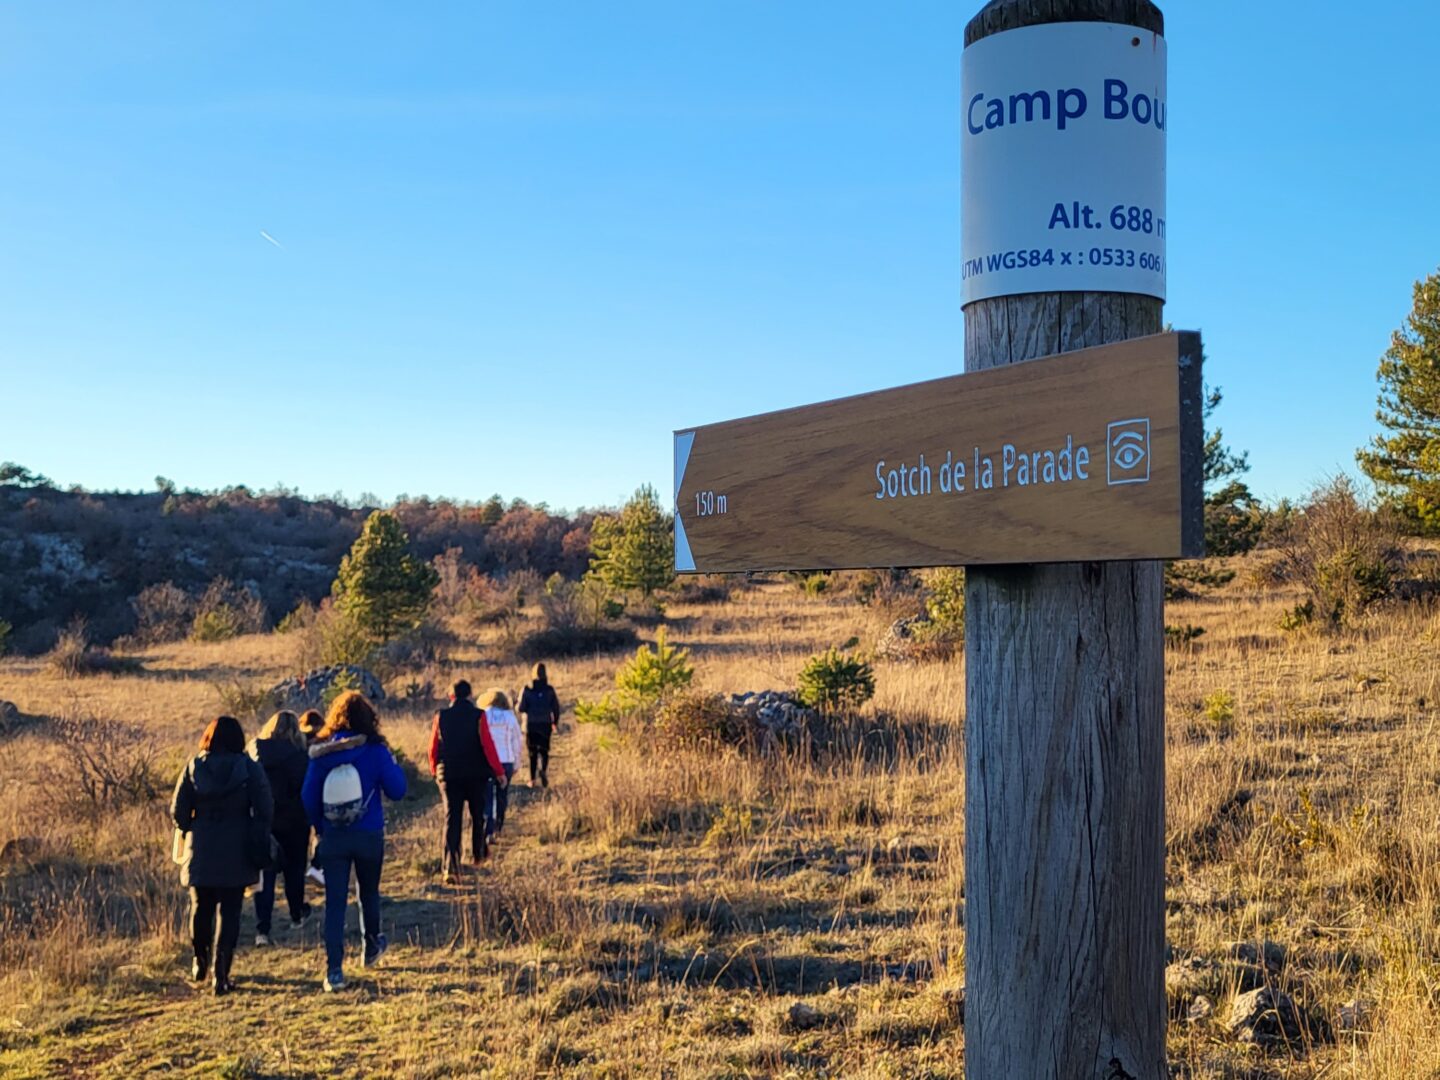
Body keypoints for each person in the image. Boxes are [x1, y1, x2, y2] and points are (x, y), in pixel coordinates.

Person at [301, 691, 407, 993]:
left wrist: (321, 828)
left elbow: (307, 798)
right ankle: (370, 945)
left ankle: (334, 971)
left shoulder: (321, 754)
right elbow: (398, 790)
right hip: (369, 833)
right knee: (368, 892)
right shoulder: (375, 750)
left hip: (333, 837)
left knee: (334, 903)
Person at [171, 715, 273, 996]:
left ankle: (199, 960)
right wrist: (256, 832)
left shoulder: (194, 767)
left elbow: (178, 812)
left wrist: (193, 827)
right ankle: (221, 974)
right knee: (230, 913)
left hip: (201, 847)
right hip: (237, 848)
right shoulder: (249, 768)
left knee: (200, 907)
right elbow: (265, 808)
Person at [429, 680, 506, 881]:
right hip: (476, 775)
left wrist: (434, 771)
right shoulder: (478, 716)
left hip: (449, 775)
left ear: (451, 696)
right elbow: (488, 746)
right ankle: (478, 856)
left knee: (452, 819)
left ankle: (450, 866)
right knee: (477, 816)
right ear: (470, 695)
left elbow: (433, 748)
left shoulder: (440, 716)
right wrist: (498, 771)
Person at [249, 710, 312, 945]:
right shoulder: (301, 756)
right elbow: (306, 790)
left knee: (265, 876)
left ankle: (262, 930)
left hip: (264, 821)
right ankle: (296, 914)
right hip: (295, 821)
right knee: (294, 871)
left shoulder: (255, 752)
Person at [478, 688, 523, 840]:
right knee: (502, 795)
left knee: (487, 796)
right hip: (506, 761)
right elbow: (517, 741)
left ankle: (488, 829)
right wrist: (517, 763)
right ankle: (499, 825)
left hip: (487, 762)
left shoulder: (482, 716)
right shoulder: (510, 717)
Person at [517, 663, 562, 788]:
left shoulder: (527, 689)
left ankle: (532, 780)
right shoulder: (549, 690)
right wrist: (555, 722)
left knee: (532, 753)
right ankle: (543, 770)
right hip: (545, 724)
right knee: (544, 750)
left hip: (531, 725)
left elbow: (521, 708)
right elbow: (556, 708)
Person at [297, 709, 327, 886]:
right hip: (319, 793)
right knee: (320, 832)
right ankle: (316, 865)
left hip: (297, 796)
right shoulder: (324, 742)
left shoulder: (297, 743)